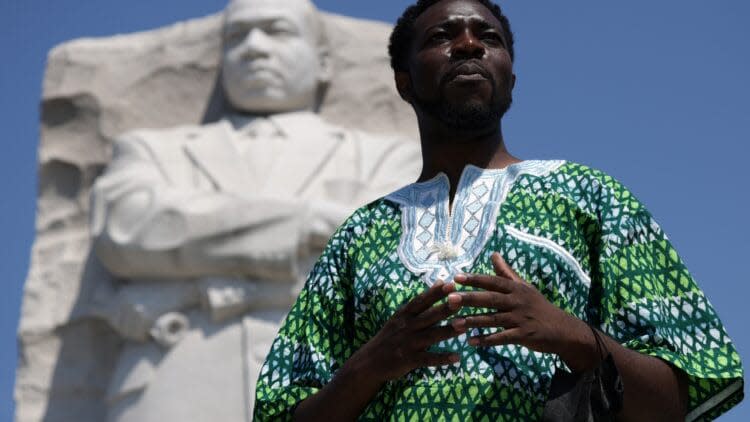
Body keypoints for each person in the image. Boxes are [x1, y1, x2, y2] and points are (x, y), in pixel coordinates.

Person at [253, 0, 744, 420]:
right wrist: (374, 362)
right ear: (403, 82)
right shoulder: (359, 234)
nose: (469, 45)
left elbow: (682, 398)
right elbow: (279, 411)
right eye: (443, 36)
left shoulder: (591, 196)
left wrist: (571, 336)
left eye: (487, 37)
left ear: (511, 78)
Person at [89, 0, 421, 420]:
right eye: (236, 36)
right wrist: (306, 223)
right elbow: (127, 228)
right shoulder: (154, 150)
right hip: (177, 375)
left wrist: (204, 239)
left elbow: (395, 242)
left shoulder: (387, 157)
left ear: (323, 63)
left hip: (334, 374)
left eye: (277, 31)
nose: (254, 48)